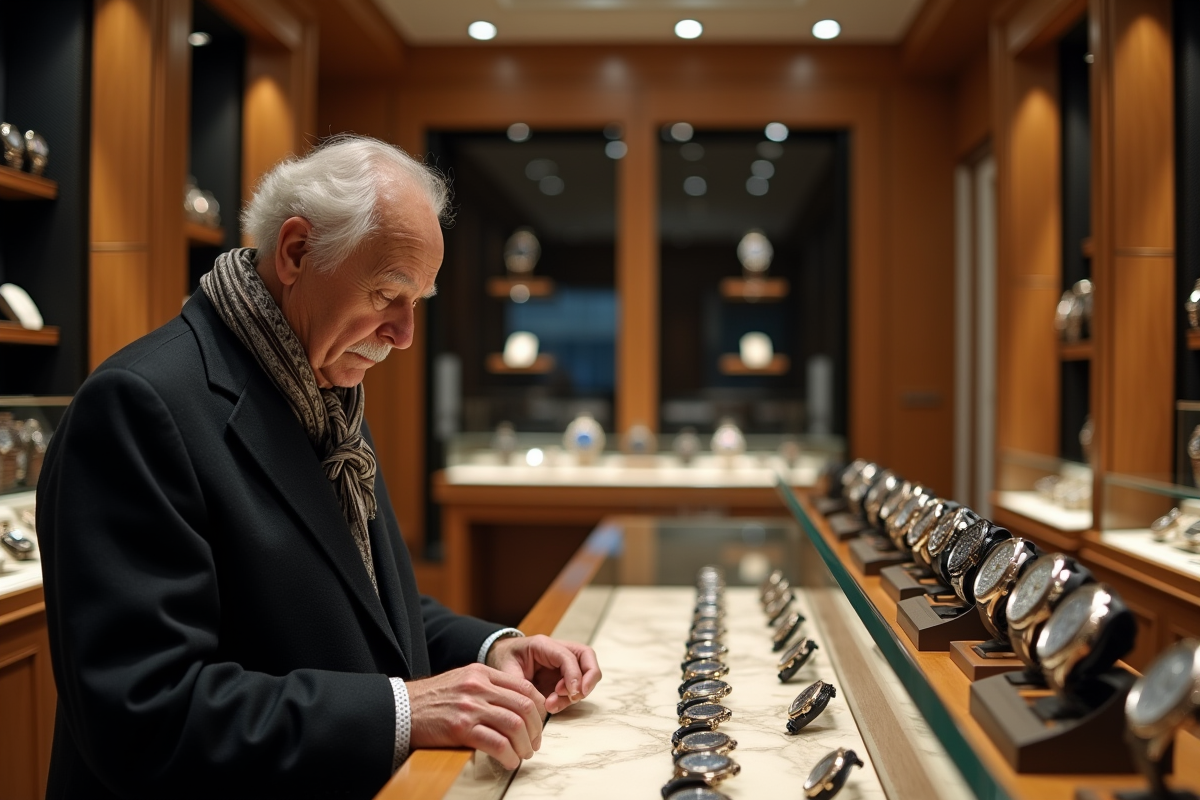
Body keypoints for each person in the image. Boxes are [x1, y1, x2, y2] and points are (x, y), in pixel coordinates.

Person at [37, 135, 601, 800]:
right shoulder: (137, 405)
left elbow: (366, 610)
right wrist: (403, 711)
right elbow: (145, 713)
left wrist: (492, 650)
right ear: (297, 252)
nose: (404, 334)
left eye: (418, 301)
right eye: (390, 292)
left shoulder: (326, 392)